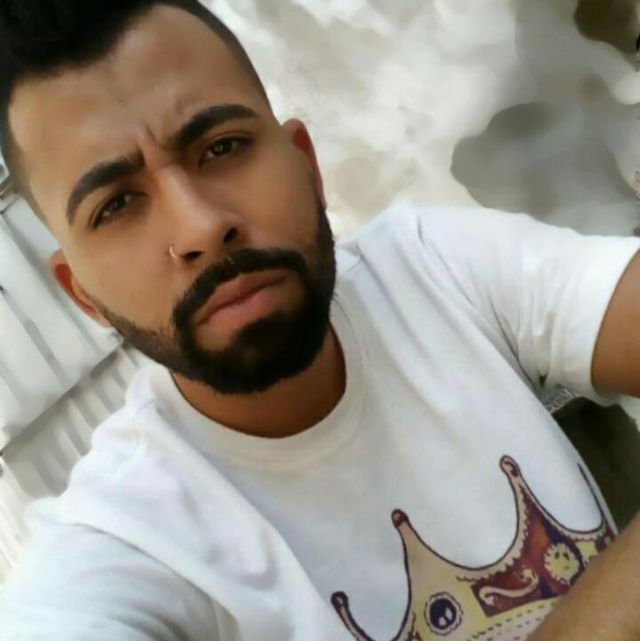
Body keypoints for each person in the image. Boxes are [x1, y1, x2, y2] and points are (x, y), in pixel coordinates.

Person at [0, 1, 639, 639]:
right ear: (83, 294)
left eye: (222, 147)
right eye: (116, 206)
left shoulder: (433, 272)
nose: (200, 227)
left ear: (305, 163)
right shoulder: (122, 541)